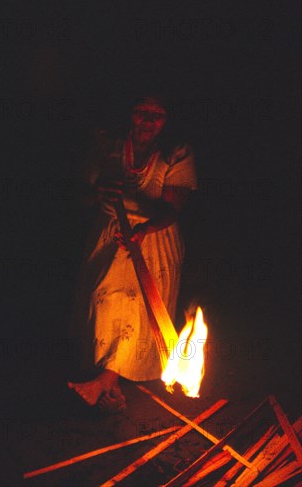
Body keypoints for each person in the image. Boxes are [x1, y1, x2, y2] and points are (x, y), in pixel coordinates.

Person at [68, 96, 197, 413]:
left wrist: (145, 229)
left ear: (166, 121)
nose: (148, 121)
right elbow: (80, 197)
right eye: (142, 113)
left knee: (136, 310)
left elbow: (172, 208)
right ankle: (110, 388)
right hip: (111, 232)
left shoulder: (175, 153)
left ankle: (104, 382)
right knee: (104, 302)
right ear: (130, 114)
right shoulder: (107, 145)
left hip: (152, 238)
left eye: (157, 115)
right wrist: (99, 192)